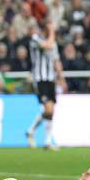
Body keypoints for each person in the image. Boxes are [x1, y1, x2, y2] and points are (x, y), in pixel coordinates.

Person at [25, 20, 67, 150]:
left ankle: (47, 141)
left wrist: (61, 78)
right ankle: (31, 129)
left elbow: (56, 60)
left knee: (51, 111)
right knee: (48, 109)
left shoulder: (53, 42)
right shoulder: (35, 38)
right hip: (40, 78)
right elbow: (48, 46)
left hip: (50, 79)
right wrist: (52, 31)